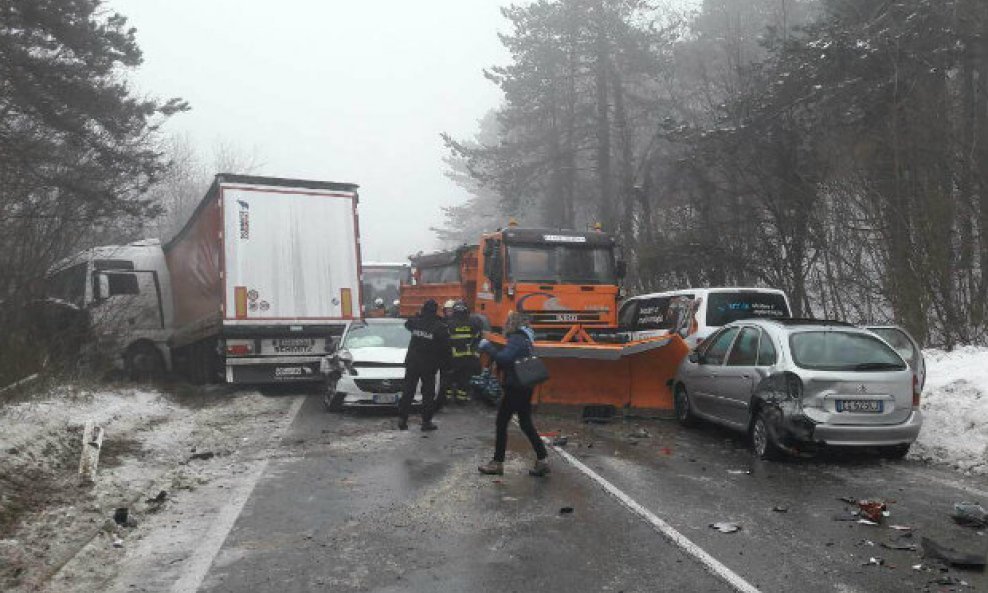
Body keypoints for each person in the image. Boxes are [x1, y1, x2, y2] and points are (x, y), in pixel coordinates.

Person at [477, 312, 549, 477]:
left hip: (515, 387)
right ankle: (542, 460)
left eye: (507, 322)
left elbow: (505, 358)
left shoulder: (516, 338)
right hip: (525, 386)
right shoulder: (527, 338)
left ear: (512, 323)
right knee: (525, 423)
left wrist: (488, 347)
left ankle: (497, 463)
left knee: (501, 423)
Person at [398, 299, 450, 431]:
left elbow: (407, 323)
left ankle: (402, 419)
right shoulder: (440, 327)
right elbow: (446, 348)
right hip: (429, 365)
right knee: (428, 394)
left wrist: (419, 316)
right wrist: (445, 365)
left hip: (413, 363)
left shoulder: (416, 322)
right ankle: (426, 422)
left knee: (408, 391)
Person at [447, 300, 483, 403]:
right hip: (468, 357)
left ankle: (447, 398)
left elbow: (445, 340)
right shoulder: (474, 322)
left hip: (452, 358)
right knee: (464, 380)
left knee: (449, 378)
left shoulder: (449, 323)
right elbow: (478, 337)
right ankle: (461, 400)